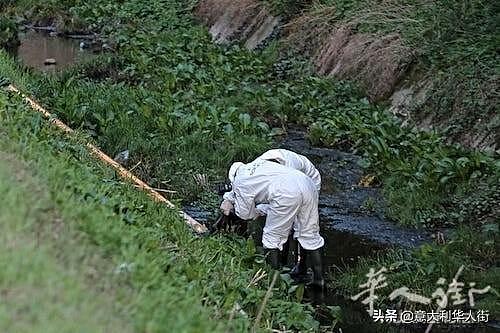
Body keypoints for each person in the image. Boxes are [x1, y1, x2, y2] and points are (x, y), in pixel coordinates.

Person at [220, 159, 325, 289]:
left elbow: (245, 214)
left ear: (233, 177)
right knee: (310, 234)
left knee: (271, 238)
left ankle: (274, 284)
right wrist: (262, 210)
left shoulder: (240, 181)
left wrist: (253, 211)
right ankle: (319, 283)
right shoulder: (259, 165)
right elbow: (270, 195)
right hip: (307, 183)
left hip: (285, 192)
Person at [256, 149, 321, 280]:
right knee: (283, 225)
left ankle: (304, 267)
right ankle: (282, 264)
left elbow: (283, 200)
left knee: (305, 228)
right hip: (289, 189)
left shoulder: (288, 167)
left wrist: (260, 209)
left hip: (309, 183)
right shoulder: (261, 164)